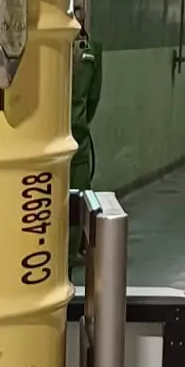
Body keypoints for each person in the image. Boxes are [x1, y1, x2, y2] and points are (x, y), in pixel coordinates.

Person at [69, 21, 103, 272]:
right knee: (76, 204)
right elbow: (92, 99)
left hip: (44, 141)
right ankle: (68, 261)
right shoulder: (91, 49)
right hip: (76, 138)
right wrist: (79, 124)